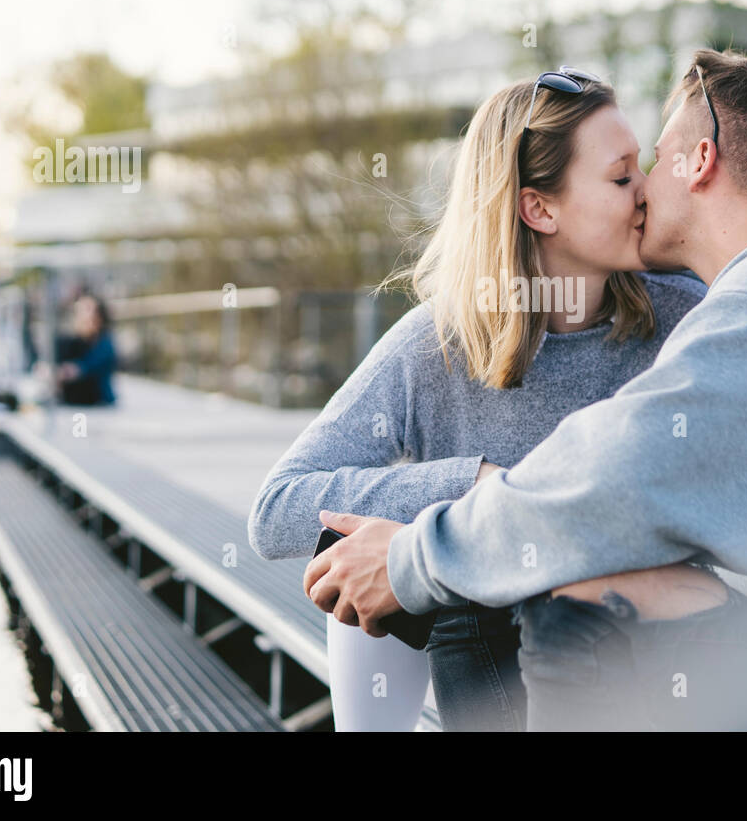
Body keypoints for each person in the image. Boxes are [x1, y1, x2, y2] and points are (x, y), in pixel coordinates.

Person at [304, 49, 747, 731]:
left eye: (651, 163)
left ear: (701, 161)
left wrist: (409, 559)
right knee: (551, 558)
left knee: (577, 585)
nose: (643, 191)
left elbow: (608, 487)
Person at [249, 69, 712, 731]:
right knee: (365, 551)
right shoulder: (435, 344)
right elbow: (275, 512)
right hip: (487, 657)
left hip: (642, 658)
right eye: (621, 177)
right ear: (539, 209)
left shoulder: (688, 320)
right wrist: (475, 483)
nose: (648, 193)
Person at [54, 292, 117, 406]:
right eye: (83, 312)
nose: (88, 316)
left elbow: (81, 368)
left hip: (100, 404)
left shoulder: (104, 343)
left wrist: (65, 372)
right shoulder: (71, 342)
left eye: (92, 312)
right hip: (75, 406)